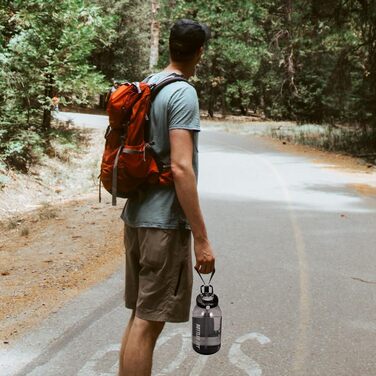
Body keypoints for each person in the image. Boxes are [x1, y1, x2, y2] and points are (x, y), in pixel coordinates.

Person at [118, 19, 215, 376]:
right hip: (163, 224)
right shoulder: (183, 93)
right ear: (199, 52)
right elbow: (181, 167)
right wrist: (201, 239)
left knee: (139, 318)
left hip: (137, 216)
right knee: (148, 323)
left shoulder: (150, 83)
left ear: (171, 46)